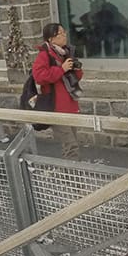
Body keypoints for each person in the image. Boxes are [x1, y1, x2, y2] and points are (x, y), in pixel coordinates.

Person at [32, 23, 83, 160]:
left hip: (70, 104)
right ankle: (72, 177)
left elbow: (75, 78)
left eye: (64, 32)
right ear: (50, 39)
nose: (64, 35)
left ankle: (71, 174)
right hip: (57, 107)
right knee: (71, 146)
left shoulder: (66, 53)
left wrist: (76, 70)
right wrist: (62, 69)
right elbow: (39, 77)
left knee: (72, 143)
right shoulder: (45, 55)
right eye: (60, 33)